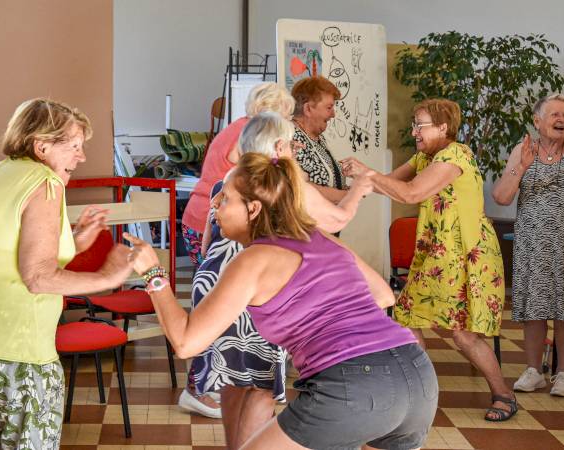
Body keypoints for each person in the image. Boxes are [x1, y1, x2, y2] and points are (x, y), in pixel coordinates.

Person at [125, 152, 436, 450]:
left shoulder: (254, 258)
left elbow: (185, 343)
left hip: (353, 384)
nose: (215, 204)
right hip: (416, 374)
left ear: (254, 209)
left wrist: (154, 273)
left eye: (226, 198)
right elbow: (382, 294)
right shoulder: (316, 235)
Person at [0, 99, 134, 449]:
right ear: (42, 146)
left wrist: (75, 242)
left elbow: (8, 253)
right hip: (18, 355)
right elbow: (37, 277)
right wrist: (108, 277)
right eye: (74, 147)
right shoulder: (45, 183)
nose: (80, 157)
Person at [189, 112, 371, 448]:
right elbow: (336, 220)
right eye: (291, 141)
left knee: (233, 379)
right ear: (278, 146)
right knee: (261, 385)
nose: (296, 146)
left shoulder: (229, 179)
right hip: (260, 287)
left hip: (216, 286)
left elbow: (205, 244)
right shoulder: (285, 188)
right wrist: (359, 189)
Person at [342, 98, 515, 421]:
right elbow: (390, 184)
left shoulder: (455, 155)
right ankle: (422, 393)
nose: (414, 131)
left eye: (420, 125)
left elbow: (410, 193)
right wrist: (353, 184)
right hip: (436, 254)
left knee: (464, 334)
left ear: (443, 127)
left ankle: (503, 394)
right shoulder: (425, 156)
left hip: (466, 255)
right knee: (407, 320)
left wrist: (368, 175)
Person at [492, 93, 564, 397]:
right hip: (532, 241)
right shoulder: (523, 149)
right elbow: (502, 197)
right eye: (554, 114)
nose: (561, 119)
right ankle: (533, 371)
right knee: (534, 306)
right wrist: (522, 167)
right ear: (537, 121)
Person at [181, 82, 295, 267]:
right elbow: (255, 172)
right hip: (212, 219)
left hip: (199, 215)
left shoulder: (238, 126)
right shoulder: (251, 134)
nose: (286, 122)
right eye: (285, 116)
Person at [291, 76, 346, 202]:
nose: (333, 114)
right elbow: (299, 187)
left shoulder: (316, 137)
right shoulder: (292, 138)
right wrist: (351, 195)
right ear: (308, 109)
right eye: (329, 107)